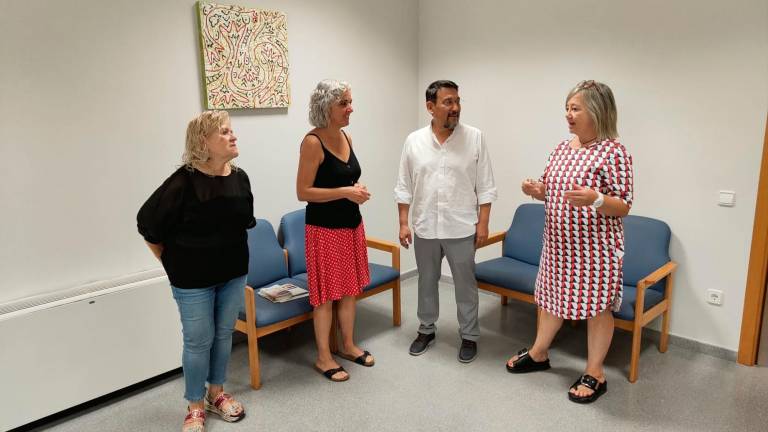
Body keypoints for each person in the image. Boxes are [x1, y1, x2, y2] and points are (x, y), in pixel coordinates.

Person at [505, 80, 634, 404]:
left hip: (595, 250)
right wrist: (538, 189)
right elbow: (553, 188)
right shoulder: (564, 148)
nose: (568, 115)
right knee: (549, 300)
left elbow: (624, 205)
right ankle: (539, 353)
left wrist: (596, 199)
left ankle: (596, 372)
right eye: (567, 108)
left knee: (597, 309)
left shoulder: (613, 151)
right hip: (558, 245)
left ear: (597, 111)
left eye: (575, 108)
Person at [137, 111, 252, 431]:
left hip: (233, 273)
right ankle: (195, 405)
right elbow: (148, 227)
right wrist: (172, 264)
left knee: (224, 334)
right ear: (204, 142)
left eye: (232, 131)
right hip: (192, 282)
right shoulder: (182, 183)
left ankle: (217, 394)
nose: (234, 136)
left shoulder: (240, 177)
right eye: (225, 132)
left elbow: (243, 224)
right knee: (198, 341)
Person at [395, 80, 497, 363]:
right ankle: (426, 329)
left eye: (457, 101)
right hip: (425, 225)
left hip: (461, 225)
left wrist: (483, 223)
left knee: (465, 285)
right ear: (430, 107)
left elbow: (486, 185)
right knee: (426, 281)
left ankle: (469, 336)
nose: (455, 108)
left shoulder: (474, 137)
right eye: (447, 102)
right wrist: (404, 222)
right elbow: (404, 186)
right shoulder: (413, 141)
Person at [296, 79, 374, 382]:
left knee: (350, 290)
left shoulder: (347, 137)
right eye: (344, 103)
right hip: (324, 228)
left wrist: (356, 190)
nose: (350, 108)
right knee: (326, 296)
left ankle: (348, 345)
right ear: (326, 107)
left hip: (351, 224)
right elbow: (303, 192)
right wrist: (345, 192)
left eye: (350, 102)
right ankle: (324, 357)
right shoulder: (312, 142)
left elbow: (345, 180)